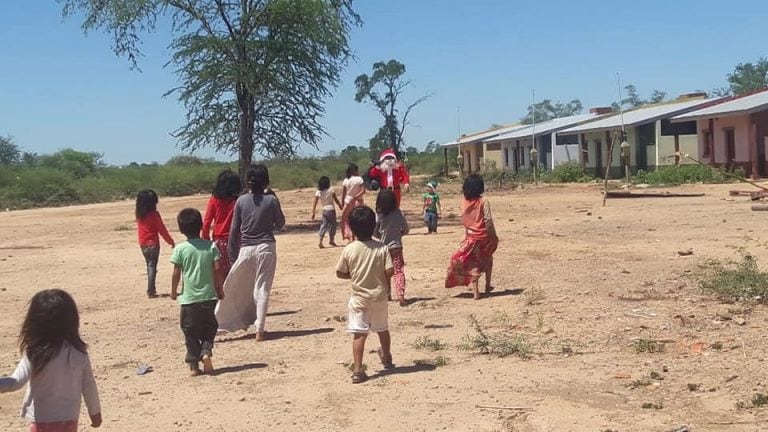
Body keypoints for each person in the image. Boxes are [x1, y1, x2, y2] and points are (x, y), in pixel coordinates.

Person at [0, 289, 102, 431]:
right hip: (68, 422)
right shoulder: (78, 353)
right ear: (72, 320)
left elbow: (15, 382)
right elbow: (89, 385)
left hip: (41, 423)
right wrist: (95, 413)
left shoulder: (35, 353)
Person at [216, 165, 286, 342]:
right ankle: (259, 330)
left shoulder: (241, 201)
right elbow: (280, 224)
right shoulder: (271, 200)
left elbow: (234, 231)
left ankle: (220, 322)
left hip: (246, 249)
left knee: (233, 286)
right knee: (262, 288)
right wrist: (274, 199)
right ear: (266, 181)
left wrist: (233, 257)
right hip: (266, 247)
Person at [335, 206, 394, 384]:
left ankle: (358, 370)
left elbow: (340, 272)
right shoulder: (382, 248)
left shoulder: (350, 249)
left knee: (359, 334)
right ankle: (387, 358)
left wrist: (353, 275)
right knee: (382, 329)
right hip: (379, 296)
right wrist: (381, 278)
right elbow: (390, 270)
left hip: (359, 297)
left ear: (351, 228)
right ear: (374, 226)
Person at [170, 208, 225, 376]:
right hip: (209, 297)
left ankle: (194, 366)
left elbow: (176, 273)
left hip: (189, 300)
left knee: (190, 332)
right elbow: (217, 269)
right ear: (201, 226)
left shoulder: (180, 249)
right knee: (210, 327)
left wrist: (173, 292)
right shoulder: (211, 247)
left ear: (180, 229)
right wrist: (220, 289)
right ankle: (206, 351)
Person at [444, 174, 499, 300]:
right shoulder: (483, 201)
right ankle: (488, 285)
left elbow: (464, 220)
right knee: (488, 258)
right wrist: (493, 235)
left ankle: (476, 292)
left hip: (471, 237)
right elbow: (488, 220)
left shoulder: (464, 203)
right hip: (484, 236)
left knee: (473, 263)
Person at [135, 189, 175, 298]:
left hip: (143, 244)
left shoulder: (139, 215)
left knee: (149, 265)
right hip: (153, 244)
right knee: (152, 266)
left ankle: (151, 290)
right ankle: (151, 290)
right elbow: (162, 230)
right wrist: (170, 241)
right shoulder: (154, 215)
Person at [202, 169, 242, 276]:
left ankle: (221, 292)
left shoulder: (214, 200)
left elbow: (206, 222)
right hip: (237, 239)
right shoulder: (239, 200)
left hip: (219, 240)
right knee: (235, 269)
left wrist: (205, 239)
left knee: (219, 271)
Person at [374, 189, 410, 306]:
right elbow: (406, 229)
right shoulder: (398, 213)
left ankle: (387, 295)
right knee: (398, 271)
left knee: (386, 272)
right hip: (397, 247)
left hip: (383, 248)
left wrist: (381, 236)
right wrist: (399, 234)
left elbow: (374, 232)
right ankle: (401, 295)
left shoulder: (379, 215)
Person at [311, 176, 342, 248]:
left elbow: (315, 202)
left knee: (324, 225)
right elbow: (336, 200)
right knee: (333, 225)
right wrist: (340, 206)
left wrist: (313, 212)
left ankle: (320, 241)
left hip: (324, 210)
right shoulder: (331, 190)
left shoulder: (319, 192)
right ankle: (331, 240)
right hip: (331, 210)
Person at [340, 163, 366, 241]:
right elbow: (363, 191)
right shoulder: (359, 179)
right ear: (355, 170)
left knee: (345, 219)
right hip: (358, 200)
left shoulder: (346, 180)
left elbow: (344, 193)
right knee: (359, 219)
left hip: (348, 201)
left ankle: (345, 235)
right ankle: (358, 235)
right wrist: (356, 197)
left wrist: (342, 203)